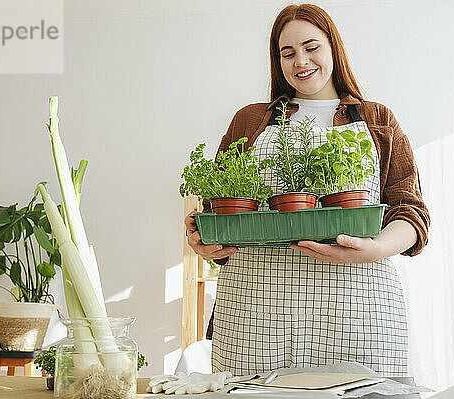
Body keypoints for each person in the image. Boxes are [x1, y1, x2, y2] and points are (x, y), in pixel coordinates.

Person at [184, 4, 429, 377]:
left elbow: (411, 212)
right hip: (255, 312)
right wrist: (204, 242)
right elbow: (218, 210)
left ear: (333, 47)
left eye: (311, 47)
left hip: (356, 308)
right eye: (288, 52)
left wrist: (374, 249)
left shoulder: (377, 119)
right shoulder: (251, 120)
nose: (301, 61)